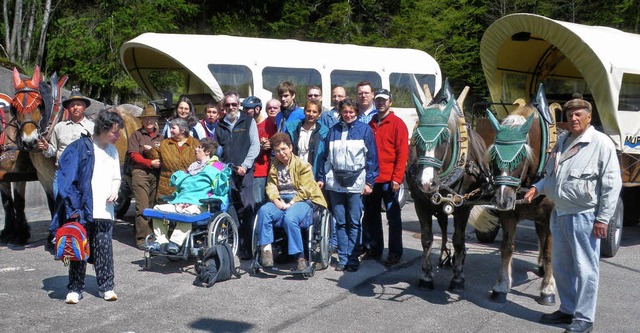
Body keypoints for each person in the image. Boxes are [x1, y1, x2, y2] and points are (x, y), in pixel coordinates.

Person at [524, 94, 622, 333]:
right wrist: (537, 188)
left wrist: (603, 219)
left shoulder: (600, 143)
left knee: (586, 268)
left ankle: (584, 318)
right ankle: (567, 310)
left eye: (579, 114)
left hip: (586, 215)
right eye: (570, 115)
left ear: (589, 117)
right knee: (561, 266)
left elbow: (612, 184)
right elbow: (551, 176)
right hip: (560, 213)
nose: (574, 118)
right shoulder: (563, 141)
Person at [55, 109, 124, 304]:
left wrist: (115, 189)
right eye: (115, 132)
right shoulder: (80, 147)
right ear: (102, 129)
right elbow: (67, 180)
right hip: (82, 209)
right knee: (78, 249)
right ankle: (75, 288)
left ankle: (107, 287)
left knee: (104, 249)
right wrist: (73, 207)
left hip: (105, 209)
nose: (118, 136)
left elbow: (116, 176)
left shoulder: (112, 150)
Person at [317, 98, 378, 272]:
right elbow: (325, 157)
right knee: (340, 222)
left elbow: (373, 159)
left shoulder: (364, 130)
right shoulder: (333, 131)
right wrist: (322, 177)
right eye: (345, 112)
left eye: (351, 112)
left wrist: (369, 182)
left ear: (356, 112)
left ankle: (353, 257)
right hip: (336, 182)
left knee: (354, 221)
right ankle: (343, 258)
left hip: (356, 182)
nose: (348, 115)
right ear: (340, 113)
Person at [257, 133, 327, 271]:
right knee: (264, 211)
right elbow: (271, 185)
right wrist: (276, 201)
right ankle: (266, 251)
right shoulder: (274, 165)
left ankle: (300, 257)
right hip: (281, 199)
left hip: (302, 199)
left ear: (290, 147)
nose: (281, 153)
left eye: (284, 149)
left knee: (290, 218)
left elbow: (305, 189)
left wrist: (290, 204)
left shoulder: (302, 165)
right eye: (277, 151)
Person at [148, 138, 231, 254]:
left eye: (200, 148)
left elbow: (220, 189)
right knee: (157, 209)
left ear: (207, 152)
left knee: (187, 213)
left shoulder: (216, 167)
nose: (196, 149)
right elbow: (180, 184)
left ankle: (175, 242)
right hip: (180, 202)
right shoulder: (193, 167)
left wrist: (223, 178)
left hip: (199, 205)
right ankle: (162, 242)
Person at [38, 89, 95, 241]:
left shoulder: (92, 127)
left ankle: (82, 240)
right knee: (61, 206)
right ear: (68, 108)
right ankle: (62, 240)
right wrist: (45, 148)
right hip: (62, 174)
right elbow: (52, 151)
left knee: (83, 206)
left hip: (83, 175)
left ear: (84, 107)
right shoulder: (59, 127)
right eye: (72, 105)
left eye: (79, 104)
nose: (75, 107)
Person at [361, 89, 408, 266]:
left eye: (384, 100)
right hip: (373, 179)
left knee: (393, 217)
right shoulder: (371, 123)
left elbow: (402, 153)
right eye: (379, 100)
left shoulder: (397, 124)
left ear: (390, 102)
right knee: (372, 216)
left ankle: (395, 251)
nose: (381, 103)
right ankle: (375, 249)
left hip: (389, 180)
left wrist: (397, 178)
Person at [215, 91, 260, 259]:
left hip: (245, 172)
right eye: (227, 105)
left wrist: (245, 165)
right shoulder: (220, 125)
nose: (231, 107)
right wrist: (220, 167)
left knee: (248, 208)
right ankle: (235, 244)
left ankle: (248, 247)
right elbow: (217, 151)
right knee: (232, 209)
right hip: (227, 173)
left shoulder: (248, 121)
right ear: (224, 107)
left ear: (239, 105)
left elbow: (255, 146)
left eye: (234, 104)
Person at [127, 104, 163, 250]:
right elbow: (133, 155)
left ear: (155, 120)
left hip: (156, 174)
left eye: (151, 118)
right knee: (142, 206)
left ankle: (152, 235)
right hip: (140, 173)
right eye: (146, 118)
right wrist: (150, 162)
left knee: (154, 206)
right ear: (142, 120)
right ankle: (142, 239)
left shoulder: (161, 137)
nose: (149, 121)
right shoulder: (136, 135)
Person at [155, 118, 199, 197]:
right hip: (167, 187)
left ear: (182, 130)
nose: (170, 130)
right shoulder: (165, 144)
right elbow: (155, 156)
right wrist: (150, 150)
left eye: (173, 128)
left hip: (189, 187)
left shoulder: (196, 144)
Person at [285, 100, 328, 178]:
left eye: (314, 112)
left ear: (319, 114)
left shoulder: (324, 132)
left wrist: (321, 178)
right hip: (294, 173)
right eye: (308, 111)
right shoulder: (292, 128)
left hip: (313, 175)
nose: (311, 114)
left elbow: (324, 157)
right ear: (304, 111)